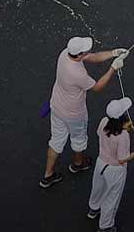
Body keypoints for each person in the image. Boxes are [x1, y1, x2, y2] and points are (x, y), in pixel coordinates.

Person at [41, 37, 127, 188]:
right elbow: (97, 87)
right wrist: (113, 68)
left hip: (56, 106)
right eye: (84, 50)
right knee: (79, 139)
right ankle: (78, 164)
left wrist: (113, 53)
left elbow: (92, 56)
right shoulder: (77, 74)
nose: (87, 51)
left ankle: (47, 175)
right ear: (79, 54)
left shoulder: (65, 54)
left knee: (56, 141)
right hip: (74, 114)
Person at [87, 97, 134, 232]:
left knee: (97, 188)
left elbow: (99, 133)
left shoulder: (104, 121)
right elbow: (122, 159)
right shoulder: (123, 136)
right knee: (111, 198)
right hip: (114, 170)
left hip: (100, 163)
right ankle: (105, 227)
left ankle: (93, 209)